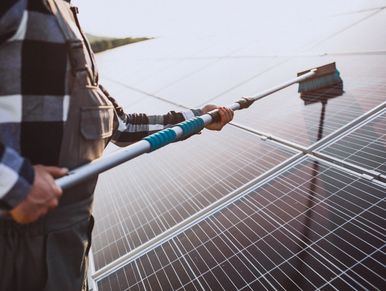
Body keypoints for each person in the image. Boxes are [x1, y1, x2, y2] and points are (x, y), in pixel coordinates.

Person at [0, 0, 234, 290]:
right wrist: (13, 182)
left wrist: (197, 119)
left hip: (67, 248)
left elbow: (121, 126)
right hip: (15, 250)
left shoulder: (65, 20)